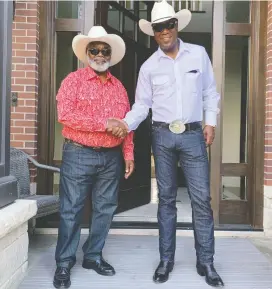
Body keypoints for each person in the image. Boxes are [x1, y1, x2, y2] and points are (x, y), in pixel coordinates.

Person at [111, 0, 224, 287]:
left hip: (193, 134)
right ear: (153, 32)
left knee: (201, 200)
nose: (165, 31)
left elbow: (210, 92)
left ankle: (206, 261)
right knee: (167, 200)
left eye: (169, 25)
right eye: (159, 27)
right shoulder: (149, 67)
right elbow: (141, 106)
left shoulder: (198, 55)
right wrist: (125, 124)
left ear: (176, 26)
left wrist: (210, 122)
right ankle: (166, 259)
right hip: (161, 135)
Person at [53, 26, 134, 289]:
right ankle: (64, 263)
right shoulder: (72, 81)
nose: (100, 54)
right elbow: (65, 115)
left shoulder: (119, 87)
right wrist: (104, 123)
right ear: (86, 53)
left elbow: (125, 124)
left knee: (105, 209)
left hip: (111, 158)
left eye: (104, 50)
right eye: (95, 50)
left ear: (111, 54)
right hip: (78, 153)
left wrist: (128, 152)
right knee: (71, 210)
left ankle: (93, 256)